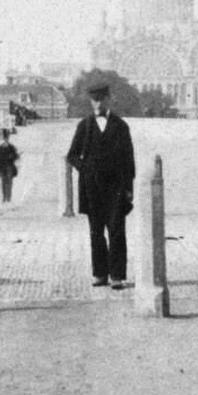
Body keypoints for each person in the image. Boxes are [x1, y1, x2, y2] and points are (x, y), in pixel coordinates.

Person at [66, 82, 135, 290]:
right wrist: (85, 169)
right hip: (92, 188)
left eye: (100, 99)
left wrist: (128, 188)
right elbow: (72, 155)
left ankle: (117, 275)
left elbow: (128, 159)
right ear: (91, 101)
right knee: (96, 232)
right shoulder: (84, 126)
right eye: (94, 100)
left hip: (116, 187)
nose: (97, 103)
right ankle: (99, 273)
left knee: (116, 231)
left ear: (107, 100)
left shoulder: (121, 126)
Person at [0, 129, 20, 203]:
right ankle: (4, 198)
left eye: (6, 138)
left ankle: (8, 198)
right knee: (4, 182)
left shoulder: (10, 147)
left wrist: (12, 156)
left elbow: (16, 155)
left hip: (8, 166)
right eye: (3, 138)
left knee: (8, 182)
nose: (4, 140)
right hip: (2, 166)